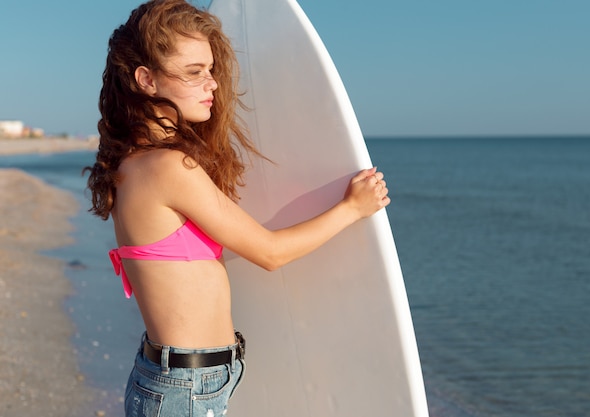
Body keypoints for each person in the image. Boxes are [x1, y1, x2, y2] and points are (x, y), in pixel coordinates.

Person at [84, 0, 390, 416]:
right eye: (194, 73)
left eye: (210, 70)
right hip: (186, 388)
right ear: (146, 80)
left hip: (181, 381)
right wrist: (352, 208)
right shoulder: (168, 167)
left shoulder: (132, 163)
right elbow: (269, 253)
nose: (211, 83)